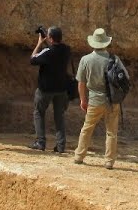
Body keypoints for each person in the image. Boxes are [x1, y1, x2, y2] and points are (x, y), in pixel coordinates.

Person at [74, 28, 126, 170]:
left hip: (94, 99)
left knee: (87, 128)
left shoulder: (85, 60)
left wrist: (83, 100)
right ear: (105, 43)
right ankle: (109, 161)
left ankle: (79, 156)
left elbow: (81, 83)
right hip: (111, 101)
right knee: (111, 132)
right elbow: (125, 78)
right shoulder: (114, 59)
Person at [29, 26, 72, 153]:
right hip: (61, 89)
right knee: (59, 116)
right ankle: (60, 145)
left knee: (38, 113)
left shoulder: (48, 51)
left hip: (45, 89)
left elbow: (33, 59)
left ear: (51, 38)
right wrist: (48, 42)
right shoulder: (66, 50)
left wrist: (39, 43)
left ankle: (40, 142)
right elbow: (55, 50)